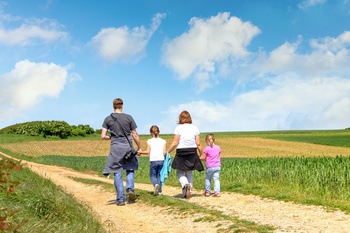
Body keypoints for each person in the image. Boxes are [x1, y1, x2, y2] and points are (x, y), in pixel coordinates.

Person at [101, 98, 141, 206]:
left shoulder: (108, 119)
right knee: (130, 168)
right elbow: (135, 134)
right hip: (127, 146)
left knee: (117, 172)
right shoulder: (129, 117)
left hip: (115, 148)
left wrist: (111, 137)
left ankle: (120, 199)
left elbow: (103, 136)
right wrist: (139, 147)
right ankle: (130, 189)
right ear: (122, 106)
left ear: (113, 106)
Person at [167, 110, 204, 198]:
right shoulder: (195, 128)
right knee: (189, 172)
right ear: (189, 118)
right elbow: (198, 143)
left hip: (181, 151)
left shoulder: (178, 128)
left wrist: (167, 152)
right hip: (192, 150)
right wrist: (201, 154)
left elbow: (175, 143)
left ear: (180, 118)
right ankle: (188, 191)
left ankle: (185, 184)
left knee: (180, 171)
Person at [138, 125, 167, 196]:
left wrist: (140, 152)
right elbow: (164, 153)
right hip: (161, 160)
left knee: (152, 176)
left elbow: (147, 152)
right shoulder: (163, 141)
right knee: (159, 176)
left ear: (151, 133)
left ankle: (155, 184)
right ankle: (159, 192)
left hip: (153, 160)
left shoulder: (149, 141)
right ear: (159, 132)